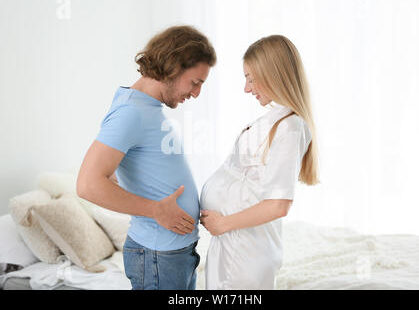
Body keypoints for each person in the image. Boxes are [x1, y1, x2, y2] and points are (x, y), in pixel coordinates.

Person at [76, 25, 216, 290]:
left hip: (171, 253)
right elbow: (87, 185)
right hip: (157, 257)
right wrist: (155, 210)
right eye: (195, 82)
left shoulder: (146, 109)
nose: (197, 93)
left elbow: (120, 172)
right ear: (174, 67)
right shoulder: (131, 112)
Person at [199, 35, 319, 290]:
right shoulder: (277, 120)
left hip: (244, 251)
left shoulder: (290, 127)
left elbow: (278, 205)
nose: (247, 88)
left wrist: (222, 224)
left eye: (251, 78)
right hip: (234, 243)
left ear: (273, 73)